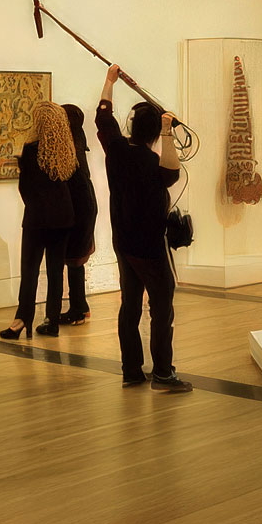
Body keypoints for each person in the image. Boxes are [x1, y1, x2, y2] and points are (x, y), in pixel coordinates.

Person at [96, 64, 192, 393]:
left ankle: (131, 371)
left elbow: (103, 117)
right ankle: (163, 373)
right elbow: (173, 171)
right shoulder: (153, 166)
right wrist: (168, 129)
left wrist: (110, 82)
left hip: (123, 243)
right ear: (153, 133)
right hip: (150, 247)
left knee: (130, 306)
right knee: (162, 309)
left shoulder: (117, 152)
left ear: (132, 127)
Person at [0, 101, 77, 340]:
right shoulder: (67, 150)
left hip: (38, 218)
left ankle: (22, 319)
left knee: (30, 271)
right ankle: (51, 320)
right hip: (64, 217)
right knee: (55, 271)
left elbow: (27, 189)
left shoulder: (32, 150)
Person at [59, 104, 98, 326]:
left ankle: (78, 309)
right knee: (75, 260)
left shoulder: (71, 143)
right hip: (82, 203)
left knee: (74, 259)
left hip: (79, 206)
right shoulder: (77, 140)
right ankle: (79, 307)